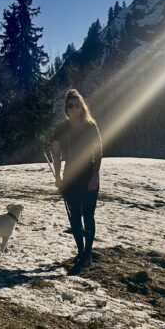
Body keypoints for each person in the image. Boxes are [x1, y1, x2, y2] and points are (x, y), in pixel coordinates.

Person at [49, 89, 103, 274]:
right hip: (70, 173)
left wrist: (95, 175)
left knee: (88, 215)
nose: (73, 108)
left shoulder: (90, 126)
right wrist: (57, 176)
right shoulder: (60, 129)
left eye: (76, 105)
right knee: (73, 215)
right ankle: (80, 251)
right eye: (70, 105)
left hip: (88, 172)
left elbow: (99, 151)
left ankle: (87, 254)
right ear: (66, 108)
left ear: (82, 106)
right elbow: (56, 155)